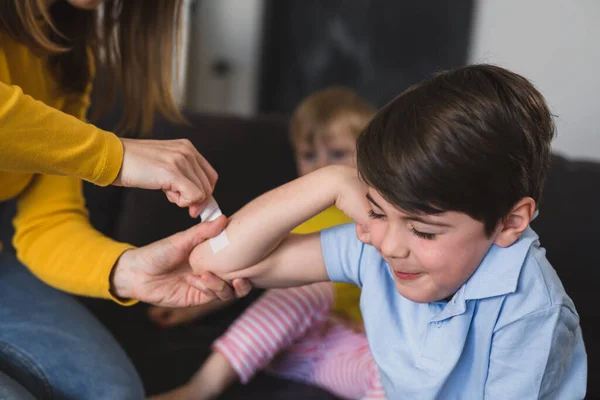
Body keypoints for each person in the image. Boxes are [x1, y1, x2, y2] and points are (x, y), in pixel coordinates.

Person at [188, 65, 588, 398]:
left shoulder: (530, 313)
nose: (390, 247)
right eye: (377, 212)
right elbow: (215, 260)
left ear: (510, 222)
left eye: (425, 232)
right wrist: (327, 183)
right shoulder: (375, 241)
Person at [0, 0, 248, 398]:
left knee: (114, 392)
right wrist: (113, 156)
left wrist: (127, 270)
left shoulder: (64, 50)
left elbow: (45, 223)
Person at [149, 87, 385, 400]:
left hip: (341, 346)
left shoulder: (375, 217)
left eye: (338, 154)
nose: (322, 167)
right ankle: (200, 387)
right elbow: (242, 270)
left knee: (397, 371)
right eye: (309, 155)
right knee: (308, 289)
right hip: (281, 336)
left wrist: (375, 331)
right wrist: (194, 306)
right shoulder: (293, 212)